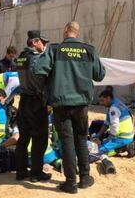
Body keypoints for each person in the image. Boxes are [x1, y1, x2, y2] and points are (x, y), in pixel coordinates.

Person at [34, 21, 106, 194]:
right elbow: (100, 75)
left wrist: (47, 86)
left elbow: (38, 69)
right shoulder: (89, 50)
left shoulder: (54, 49)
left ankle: (70, 182)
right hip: (81, 104)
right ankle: (85, 177)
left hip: (61, 104)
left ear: (66, 31)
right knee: (81, 139)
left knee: (66, 141)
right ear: (78, 33)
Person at [15, 30, 51, 183]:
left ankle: (21, 172)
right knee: (40, 139)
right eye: (43, 42)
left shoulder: (21, 57)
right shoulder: (37, 59)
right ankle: (36, 173)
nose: (45, 46)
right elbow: (38, 80)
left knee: (23, 139)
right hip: (36, 102)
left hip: (23, 102)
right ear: (36, 42)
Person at [94, 90, 135, 156]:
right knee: (103, 143)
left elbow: (114, 125)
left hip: (121, 138)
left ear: (108, 98)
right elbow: (106, 123)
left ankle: (122, 148)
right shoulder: (117, 102)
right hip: (128, 136)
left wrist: (109, 139)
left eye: (102, 100)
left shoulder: (113, 108)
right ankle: (127, 144)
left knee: (99, 151)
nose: (101, 103)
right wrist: (99, 134)